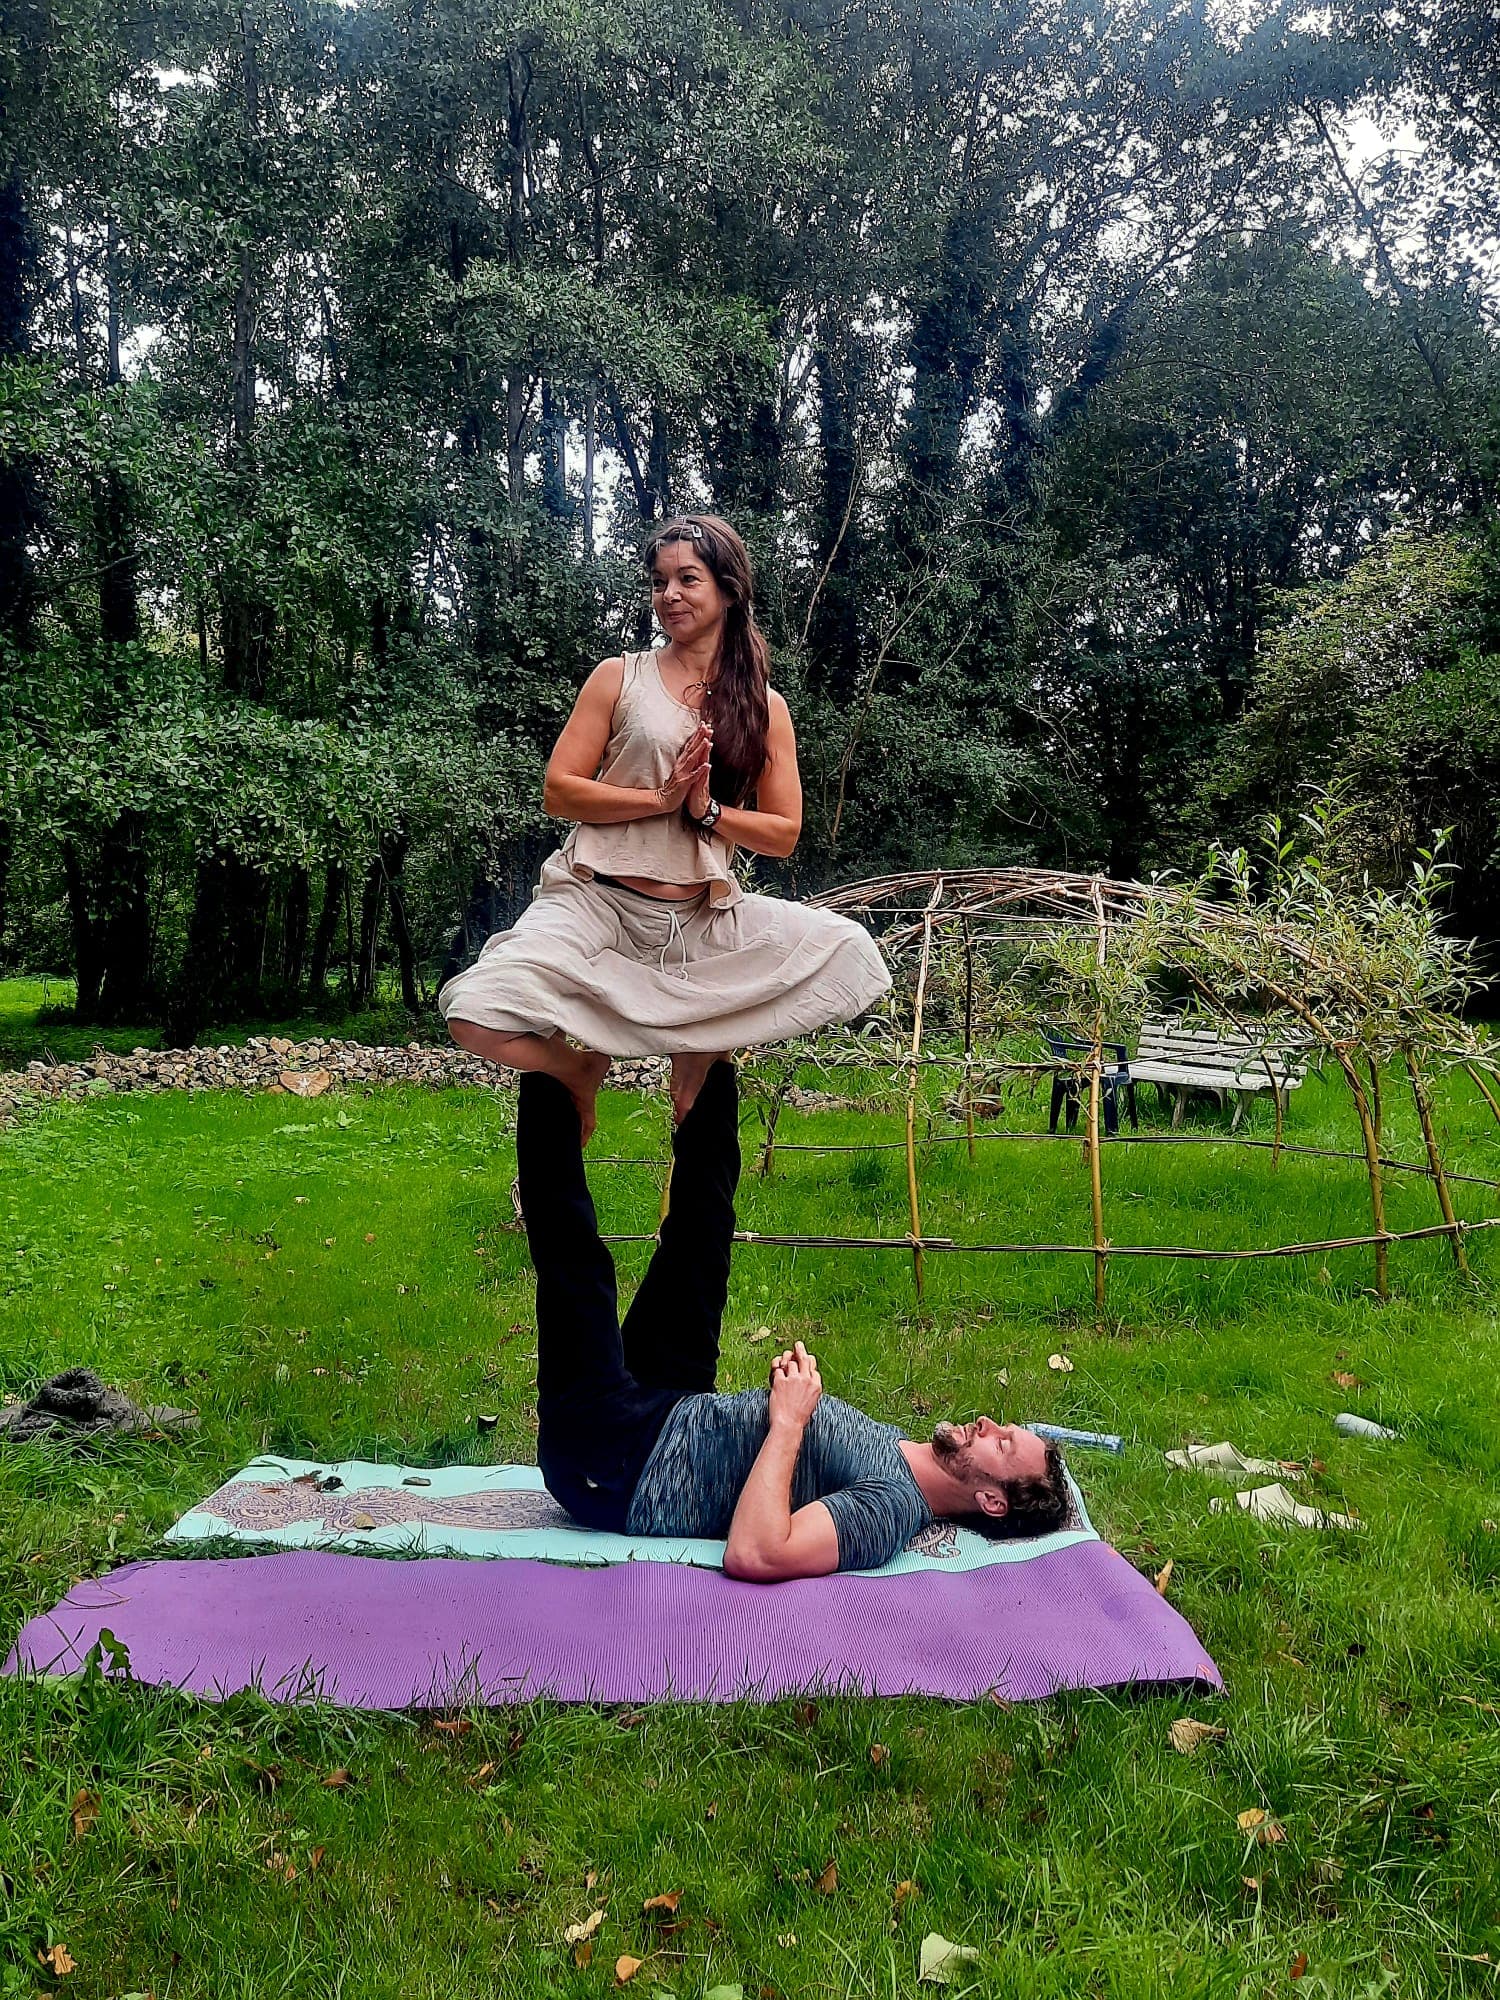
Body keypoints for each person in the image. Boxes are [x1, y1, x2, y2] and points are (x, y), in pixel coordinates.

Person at [518, 1057, 1071, 1581]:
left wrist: (789, 1418)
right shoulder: (900, 1450)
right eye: (1006, 1429)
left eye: (1000, 1445)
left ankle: (554, 1077)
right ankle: (705, 1068)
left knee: (577, 1266)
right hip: (676, 1407)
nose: (989, 1425)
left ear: (992, 1501)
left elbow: (757, 1553)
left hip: (617, 1462)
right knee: (702, 1240)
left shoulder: (892, 1510)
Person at [438, 513, 891, 1137]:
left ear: (728, 590)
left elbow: (783, 832)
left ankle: (700, 1040)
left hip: (700, 917)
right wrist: (660, 797)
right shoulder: (619, 676)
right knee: (475, 1010)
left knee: (850, 952)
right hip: (596, 901)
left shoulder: (764, 708)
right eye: (659, 582)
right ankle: (577, 1071)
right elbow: (559, 791)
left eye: (687, 580)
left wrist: (705, 810)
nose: (668, 595)